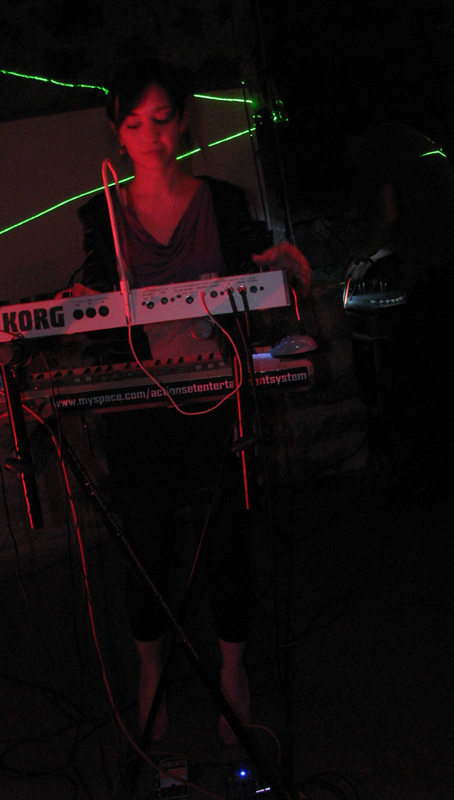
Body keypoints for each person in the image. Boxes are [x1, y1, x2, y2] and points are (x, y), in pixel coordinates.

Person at [67, 58, 311, 743]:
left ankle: (234, 671)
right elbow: (98, 292)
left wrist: (281, 266)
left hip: (218, 397)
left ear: (183, 122)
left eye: (162, 118)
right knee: (146, 546)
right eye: (134, 123)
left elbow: (260, 262)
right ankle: (151, 672)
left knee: (229, 537)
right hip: (139, 404)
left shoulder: (222, 202)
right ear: (117, 132)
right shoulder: (102, 213)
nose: (150, 135)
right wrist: (83, 306)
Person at [344, 123, 454, 501]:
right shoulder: (415, 143)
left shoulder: (379, 146)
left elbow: (389, 215)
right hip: (442, 269)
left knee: (418, 375)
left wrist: (364, 253)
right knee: (437, 373)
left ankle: (427, 475)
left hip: (437, 273)